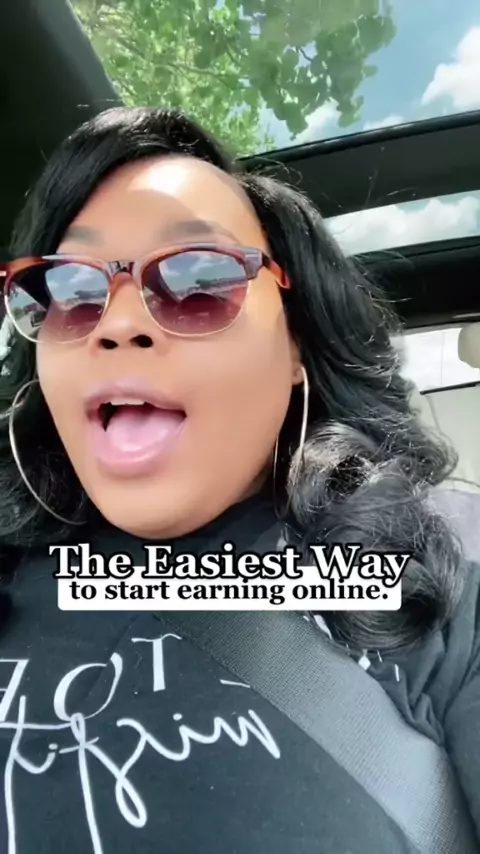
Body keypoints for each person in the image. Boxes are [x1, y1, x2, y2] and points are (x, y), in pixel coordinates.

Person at [0, 106, 478, 854]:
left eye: (199, 281)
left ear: (296, 347)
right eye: (71, 291)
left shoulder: (432, 577)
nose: (116, 324)